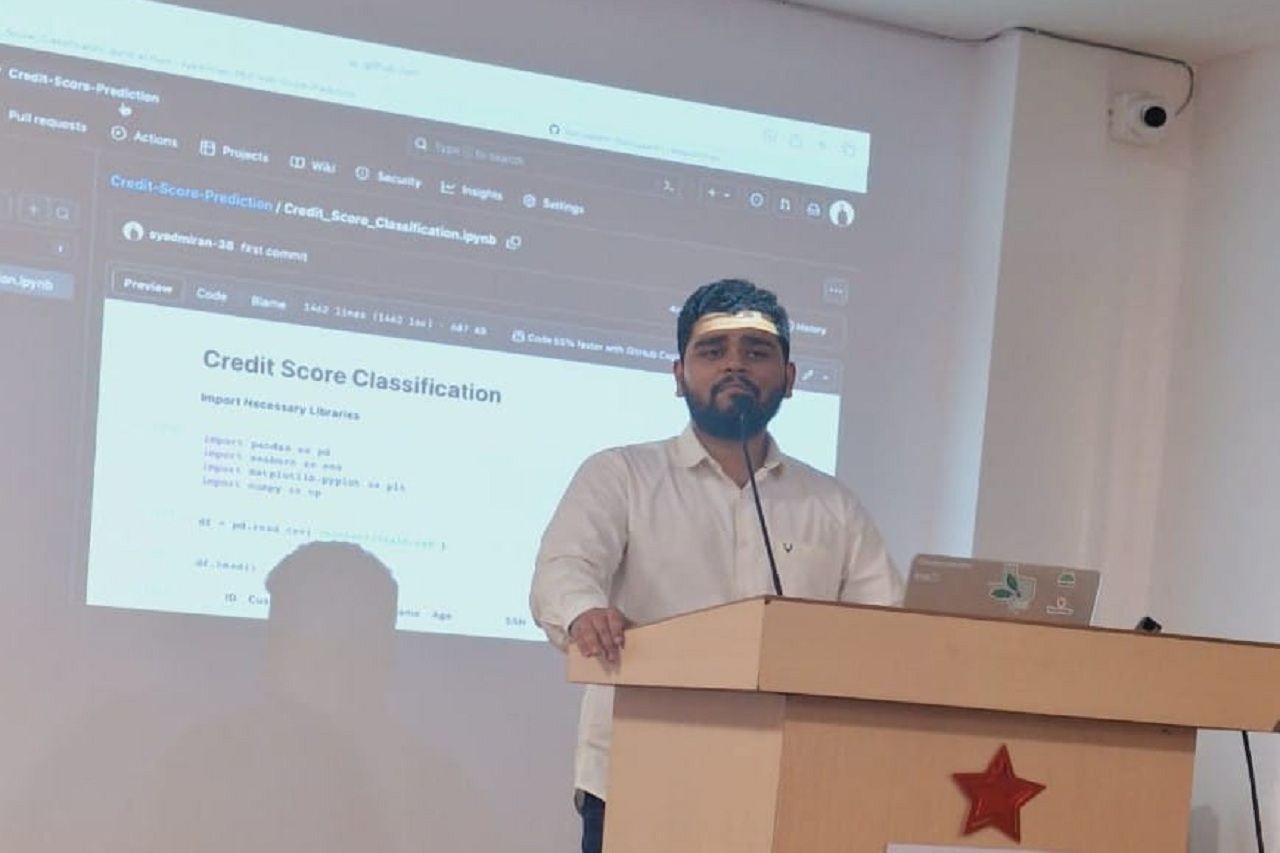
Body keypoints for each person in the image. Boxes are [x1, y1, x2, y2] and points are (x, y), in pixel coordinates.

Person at [529, 278, 903, 853]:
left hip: (791, 782)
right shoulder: (621, 475)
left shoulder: (832, 505)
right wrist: (585, 612)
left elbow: (886, 625)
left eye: (756, 351)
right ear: (679, 374)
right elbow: (564, 567)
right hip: (643, 775)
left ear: (790, 378)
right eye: (712, 350)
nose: (735, 365)